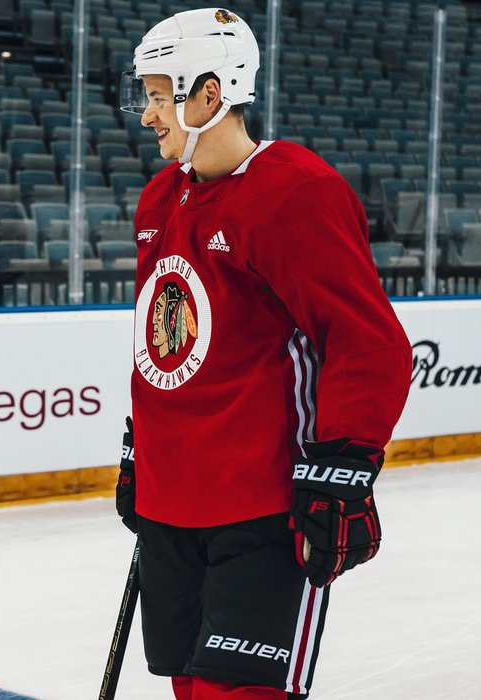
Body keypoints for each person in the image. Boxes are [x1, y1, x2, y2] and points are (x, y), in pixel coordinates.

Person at [115, 8, 412, 699]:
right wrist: (141, 453)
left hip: (264, 516)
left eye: (159, 96)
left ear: (209, 95)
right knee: (190, 691)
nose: (147, 116)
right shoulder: (160, 199)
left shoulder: (295, 192)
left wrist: (343, 473)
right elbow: (163, 344)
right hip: (172, 511)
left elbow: (369, 343)